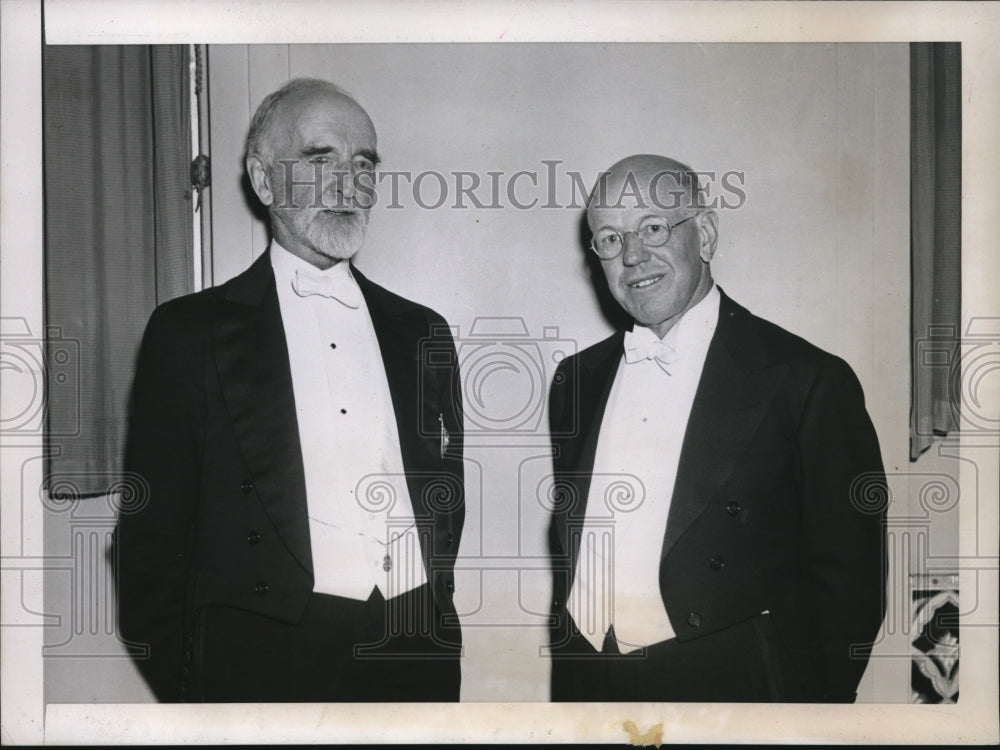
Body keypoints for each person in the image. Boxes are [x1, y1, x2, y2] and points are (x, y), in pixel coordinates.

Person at [116, 78, 465, 702]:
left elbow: (445, 499)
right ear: (265, 179)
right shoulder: (188, 333)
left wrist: (434, 611)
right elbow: (148, 544)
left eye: (364, 165)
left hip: (415, 652)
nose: (348, 184)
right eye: (319, 159)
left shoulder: (423, 330)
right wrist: (195, 689)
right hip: (262, 667)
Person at [547, 154, 887, 702]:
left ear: (703, 234)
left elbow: (849, 583)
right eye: (609, 239)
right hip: (590, 682)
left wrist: (805, 714)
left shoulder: (807, 379)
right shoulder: (575, 380)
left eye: (654, 228)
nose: (633, 256)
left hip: (735, 685)